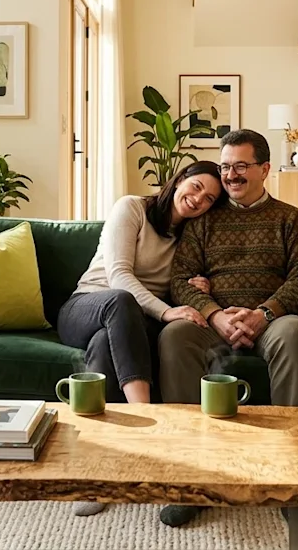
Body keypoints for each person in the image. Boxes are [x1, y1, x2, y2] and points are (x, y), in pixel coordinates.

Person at [157, 129, 298, 528]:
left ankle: (291, 473)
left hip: (271, 322)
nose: (231, 175)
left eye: (241, 166)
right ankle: (190, 476)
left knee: (296, 332)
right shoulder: (204, 222)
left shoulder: (291, 219)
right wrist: (214, 314)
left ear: (265, 169)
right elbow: (180, 279)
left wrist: (263, 313)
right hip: (215, 321)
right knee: (175, 335)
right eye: (226, 166)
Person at [57, 160, 227, 517]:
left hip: (133, 322)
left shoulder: (192, 236)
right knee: (121, 301)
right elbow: (118, 275)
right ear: (180, 179)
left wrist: (197, 287)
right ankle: (148, 428)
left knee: (106, 345)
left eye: (210, 198)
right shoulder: (132, 207)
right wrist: (167, 312)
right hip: (88, 305)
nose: (198, 200)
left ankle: (99, 473)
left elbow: (183, 284)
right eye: (196, 187)